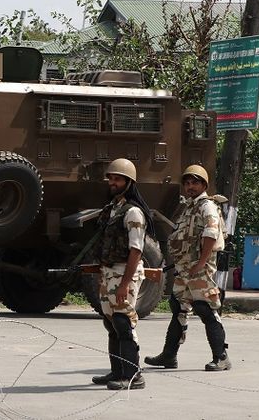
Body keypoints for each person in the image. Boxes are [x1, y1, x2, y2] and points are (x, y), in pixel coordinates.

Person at [144, 165, 231, 372]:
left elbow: (210, 235)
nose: (190, 186)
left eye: (195, 182)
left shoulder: (207, 206)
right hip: (185, 269)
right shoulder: (189, 207)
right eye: (188, 183)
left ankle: (221, 357)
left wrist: (200, 264)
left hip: (199, 269)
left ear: (204, 185)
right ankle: (169, 356)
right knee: (177, 308)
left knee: (206, 309)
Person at [91, 158, 155, 390]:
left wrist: (125, 283)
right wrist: (102, 275)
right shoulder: (112, 209)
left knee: (123, 321)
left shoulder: (134, 213)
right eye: (111, 178)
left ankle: (133, 375)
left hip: (124, 273)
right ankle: (117, 371)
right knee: (111, 323)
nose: (113, 182)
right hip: (109, 272)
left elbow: (136, 250)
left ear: (129, 182)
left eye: (118, 179)